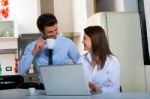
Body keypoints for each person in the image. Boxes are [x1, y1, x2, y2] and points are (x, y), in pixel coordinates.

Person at [78, 26, 120, 93]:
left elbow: (115, 88)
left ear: (94, 40)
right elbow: (78, 81)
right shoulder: (82, 59)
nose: (82, 41)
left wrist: (100, 90)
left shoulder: (112, 61)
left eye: (84, 38)